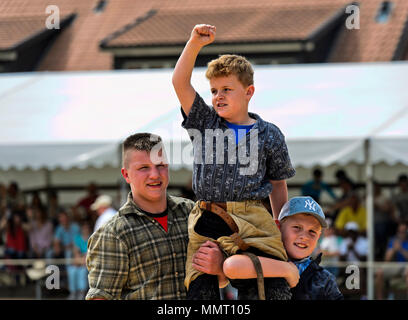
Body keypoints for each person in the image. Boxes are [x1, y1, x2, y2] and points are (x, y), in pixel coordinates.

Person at [172, 24, 296, 300]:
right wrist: (194, 43)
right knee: (200, 290)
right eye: (214, 90)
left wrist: (279, 221)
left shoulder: (269, 133)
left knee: (270, 289)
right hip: (208, 216)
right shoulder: (205, 123)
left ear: (249, 91)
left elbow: (278, 184)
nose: (218, 96)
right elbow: (180, 83)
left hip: (254, 219)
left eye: (227, 89)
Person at [85, 133, 223, 300]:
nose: (155, 174)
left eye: (161, 165)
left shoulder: (193, 213)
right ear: (126, 175)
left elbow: (220, 280)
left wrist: (220, 266)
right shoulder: (114, 233)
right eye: (144, 168)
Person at [220, 196, 343, 300]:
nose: (304, 237)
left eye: (312, 231)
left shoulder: (324, 279)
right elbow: (232, 266)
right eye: (297, 227)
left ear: (319, 237)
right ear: (278, 227)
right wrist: (286, 269)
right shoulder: (263, 257)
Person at [375, 222, 408, 299]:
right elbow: (386, 259)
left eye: (403, 232)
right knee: (379, 272)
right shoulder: (393, 240)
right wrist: (393, 249)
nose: (401, 234)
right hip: (395, 265)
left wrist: (401, 249)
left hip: (406, 265)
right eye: (399, 231)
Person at [67, 220, 92, 300]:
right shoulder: (77, 238)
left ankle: (81, 293)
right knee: (72, 270)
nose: (85, 229)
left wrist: (83, 258)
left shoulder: (92, 237)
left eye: (86, 228)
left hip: (88, 262)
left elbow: (90, 253)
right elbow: (76, 252)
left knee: (82, 271)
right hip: (79, 261)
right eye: (83, 228)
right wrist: (79, 258)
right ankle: (73, 293)